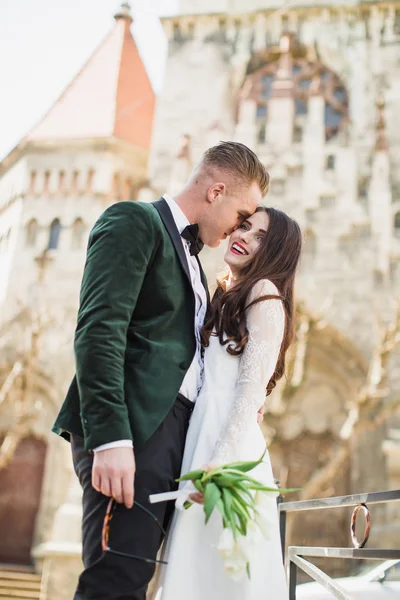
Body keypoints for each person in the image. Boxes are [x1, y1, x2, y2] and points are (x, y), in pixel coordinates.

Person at [51, 141, 270, 600]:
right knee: (116, 580)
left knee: (139, 581)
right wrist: (111, 439)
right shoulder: (135, 220)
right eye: (242, 213)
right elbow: (99, 330)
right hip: (132, 433)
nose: (240, 228)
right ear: (216, 191)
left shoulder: (195, 263)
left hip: (174, 441)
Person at [153, 206, 302, 600]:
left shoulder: (264, 293)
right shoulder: (227, 293)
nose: (244, 237)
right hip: (201, 432)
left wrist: (220, 460)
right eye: (246, 226)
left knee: (219, 575)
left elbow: (248, 393)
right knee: (194, 569)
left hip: (227, 447)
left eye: (259, 238)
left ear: (275, 253)